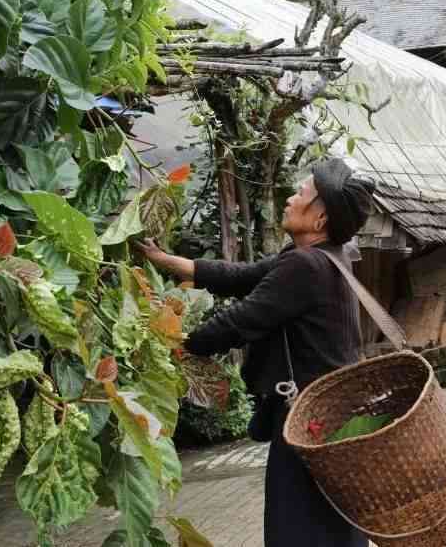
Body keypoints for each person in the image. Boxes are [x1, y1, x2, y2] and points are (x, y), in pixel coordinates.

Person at [137, 158, 375, 547]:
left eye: (301, 194)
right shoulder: (330, 255)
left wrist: (173, 342)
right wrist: (169, 262)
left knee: (296, 529)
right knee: (332, 525)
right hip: (333, 415)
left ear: (319, 220)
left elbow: (241, 320)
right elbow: (241, 277)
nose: (289, 198)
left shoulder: (306, 265)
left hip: (309, 419)